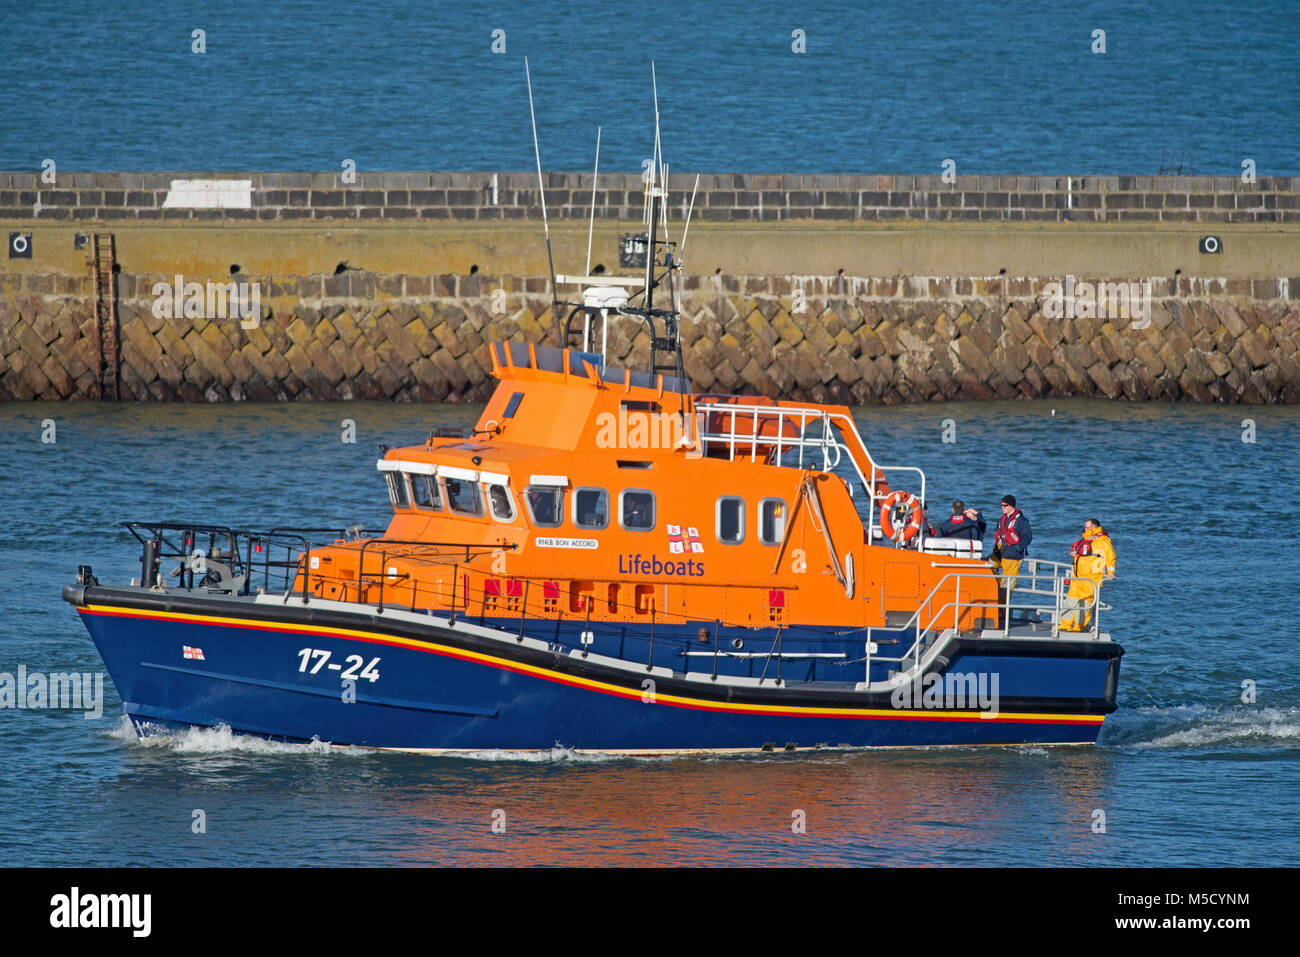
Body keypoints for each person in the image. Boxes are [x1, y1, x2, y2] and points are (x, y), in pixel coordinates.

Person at [1060, 518, 1116, 632]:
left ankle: (1079, 625)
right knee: (1071, 599)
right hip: (1078, 575)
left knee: (1085, 602)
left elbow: (1110, 557)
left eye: (1087, 527)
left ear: (1094, 527)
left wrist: (1111, 572)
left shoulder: (1103, 540)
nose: (1085, 529)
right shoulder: (1084, 540)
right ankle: (1065, 623)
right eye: (1085, 527)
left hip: (1092, 576)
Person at [992, 494, 1032, 596]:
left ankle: (1002, 608)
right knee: (986, 566)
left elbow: (1027, 537)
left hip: (1013, 557)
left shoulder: (1021, 520)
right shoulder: (1002, 519)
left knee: (1006, 586)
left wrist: (1017, 548)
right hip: (1000, 554)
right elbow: (999, 535)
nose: (1002, 507)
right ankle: (994, 589)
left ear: (1011, 506)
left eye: (1004, 505)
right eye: (1001, 505)